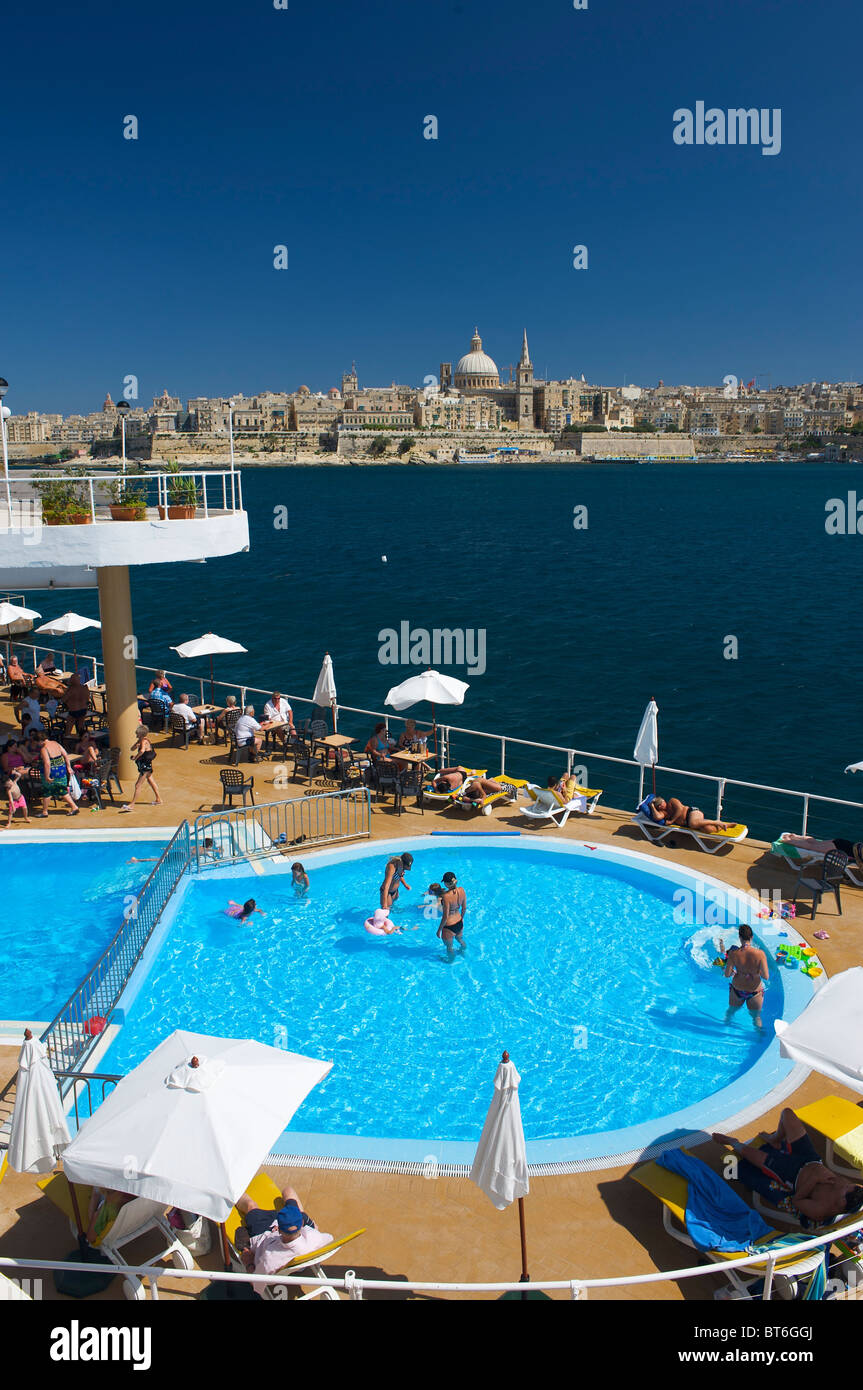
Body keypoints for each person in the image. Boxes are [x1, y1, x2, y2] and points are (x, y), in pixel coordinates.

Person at [713, 1109, 863, 1228]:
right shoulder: (852, 1191)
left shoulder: (820, 1210)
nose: (846, 1184)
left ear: (842, 1202)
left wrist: (813, 1180)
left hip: (790, 1175)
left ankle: (732, 1142)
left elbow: (797, 1201)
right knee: (787, 1114)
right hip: (810, 1158)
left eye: (846, 1188)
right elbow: (843, 1185)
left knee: (751, 1155)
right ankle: (775, 1139)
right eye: (850, 1185)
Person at [234, 1183, 333, 1298]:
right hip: (300, 1250)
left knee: (251, 1206)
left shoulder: (269, 1258)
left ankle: (233, 1188)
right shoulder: (314, 1237)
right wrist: (313, 1228)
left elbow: (256, 1283)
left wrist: (249, 1263)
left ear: (278, 1229)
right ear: (301, 1223)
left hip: (263, 1231)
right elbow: (330, 1238)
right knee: (288, 1190)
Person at [718, 923, 769, 1029]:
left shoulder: (733, 954)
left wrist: (737, 972)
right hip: (755, 992)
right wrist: (755, 972)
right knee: (756, 1018)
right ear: (752, 937)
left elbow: (727, 974)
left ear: (740, 937)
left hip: (737, 990)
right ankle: (759, 1037)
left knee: (730, 1012)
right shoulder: (760, 954)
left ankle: (723, 1030)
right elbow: (766, 976)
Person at [35, 731, 78, 817]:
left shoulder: (44, 749)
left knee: (47, 790)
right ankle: (45, 811)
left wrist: (47, 776)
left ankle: (45, 812)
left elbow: (47, 763)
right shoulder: (55, 743)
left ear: (40, 741)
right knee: (61, 790)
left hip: (52, 773)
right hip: (61, 770)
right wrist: (68, 767)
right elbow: (65, 755)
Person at [120, 726, 162, 811]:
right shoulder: (141, 741)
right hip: (147, 765)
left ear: (140, 734)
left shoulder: (144, 741)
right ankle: (158, 799)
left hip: (145, 767)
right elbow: (132, 748)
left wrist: (135, 757)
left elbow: (142, 751)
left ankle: (132, 805)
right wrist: (137, 744)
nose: (136, 734)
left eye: (137, 733)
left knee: (138, 785)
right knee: (150, 781)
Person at [641, 795, 730, 835]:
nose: (661, 805)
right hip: (687, 823)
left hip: (692, 813)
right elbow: (657, 817)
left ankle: (717, 822)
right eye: (658, 806)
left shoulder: (672, 801)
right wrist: (652, 807)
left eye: (661, 803)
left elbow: (679, 809)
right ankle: (723, 825)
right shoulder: (664, 813)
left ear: (664, 800)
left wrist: (672, 821)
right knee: (708, 829)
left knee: (693, 823)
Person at [430, 871, 467, 954]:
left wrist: (439, 930)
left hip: (449, 926)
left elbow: (445, 916)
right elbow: (464, 908)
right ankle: (463, 951)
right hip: (459, 922)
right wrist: (461, 919)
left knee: (449, 947)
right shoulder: (462, 890)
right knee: (460, 940)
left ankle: (450, 961)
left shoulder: (446, 897)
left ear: (446, 884)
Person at [62, 672, 92, 737]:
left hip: (73, 710)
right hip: (83, 710)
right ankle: (81, 741)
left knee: (68, 731)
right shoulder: (85, 688)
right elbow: (87, 699)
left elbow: (63, 699)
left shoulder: (71, 689)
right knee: (81, 729)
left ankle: (67, 743)